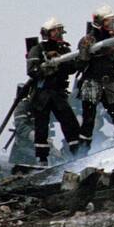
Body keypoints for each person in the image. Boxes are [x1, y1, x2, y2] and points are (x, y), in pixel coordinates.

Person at [26, 17, 82, 165]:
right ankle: (42, 159)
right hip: (42, 93)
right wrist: (46, 67)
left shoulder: (64, 49)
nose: (59, 33)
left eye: (60, 30)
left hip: (58, 92)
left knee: (69, 122)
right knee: (41, 127)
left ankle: (78, 153)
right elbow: (32, 71)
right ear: (47, 33)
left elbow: (72, 68)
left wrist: (69, 61)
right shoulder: (37, 49)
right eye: (55, 31)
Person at [76, 4, 114, 152]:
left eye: (112, 20)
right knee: (89, 120)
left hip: (110, 84)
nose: (112, 23)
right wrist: (86, 51)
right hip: (91, 83)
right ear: (100, 21)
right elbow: (79, 65)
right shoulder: (87, 40)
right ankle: (82, 152)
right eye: (108, 20)